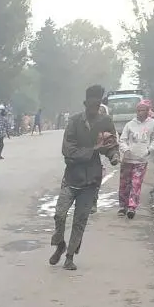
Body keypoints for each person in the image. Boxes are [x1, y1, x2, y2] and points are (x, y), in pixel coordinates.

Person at [50, 85, 119, 271]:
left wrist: (113, 154)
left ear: (100, 105)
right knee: (59, 214)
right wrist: (94, 150)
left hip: (91, 180)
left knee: (80, 220)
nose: (94, 108)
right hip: (72, 177)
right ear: (85, 104)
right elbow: (68, 151)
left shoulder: (105, 121)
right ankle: (60, 244)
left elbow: (111, 144)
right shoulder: (74, 122)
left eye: (97, 104)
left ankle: (70, 256)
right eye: (91, 104)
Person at [118, 99, 154, 218]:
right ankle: (122, 206)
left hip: (141, 160)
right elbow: (122, 140)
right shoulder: (130, 124)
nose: (140, 112)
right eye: (138, 110)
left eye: (143, 110)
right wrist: (126, 149)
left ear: (147, 111)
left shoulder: (152, 123)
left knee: (136, 183)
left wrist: (149, 149)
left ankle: (131, 207)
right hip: (128, 159)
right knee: (125, 184)